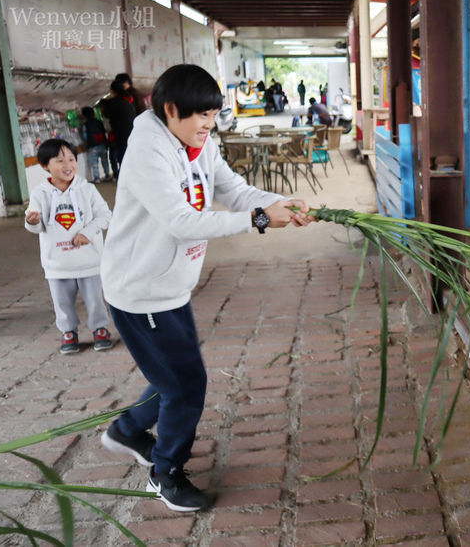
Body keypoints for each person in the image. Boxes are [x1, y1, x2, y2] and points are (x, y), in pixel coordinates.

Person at [97, 64, 316, 512]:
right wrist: (258, 220)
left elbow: (231, 189)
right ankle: (165, 471)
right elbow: (179, 221)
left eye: (213, 116)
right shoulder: (147, 152)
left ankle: (127, 432)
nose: (207, 125)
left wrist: (273, 204)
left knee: (174, 377)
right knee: (186, 387)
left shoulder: (198, 142)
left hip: (171, 287)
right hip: (141, 291)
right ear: (170, 109)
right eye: (199, 116)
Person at [24, 139, 114, 354]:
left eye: (72, 159)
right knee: (61, 301)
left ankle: (100, 329)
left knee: (94, 298)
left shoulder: (88, 190)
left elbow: (105, 215)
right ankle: (68, 332)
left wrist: (87, 232)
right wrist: (32, 221)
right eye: (59, 160)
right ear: (45, 166)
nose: (68, 165)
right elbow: (35, 226)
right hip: (57, 263)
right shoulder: (40, 193)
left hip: (89, 260)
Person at [99, 79, 136, 177]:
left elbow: (107, 115)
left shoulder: (112, 102)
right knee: (131, 153)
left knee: (122, 154)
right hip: (132, 131)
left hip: (120, 132)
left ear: (112, 90)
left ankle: (126, 175)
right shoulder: (128, 100)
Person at [81, 107, 112, 183]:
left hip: (92, 146)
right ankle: (107, 175)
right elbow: (104, 131)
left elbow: (85, 136)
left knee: (94, 163)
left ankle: (97, 178)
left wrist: (86, 143)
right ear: (94, 113)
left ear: (84, 116)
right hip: (102, 143)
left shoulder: (85, 124)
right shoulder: (99, 122)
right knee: (105, 161)